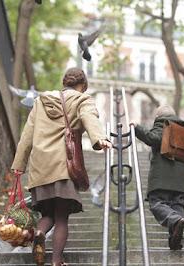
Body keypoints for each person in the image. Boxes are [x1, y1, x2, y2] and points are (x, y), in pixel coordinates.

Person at [11, 67, 112, 266]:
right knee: (62, 217)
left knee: (47, 214)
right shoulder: (82, 99)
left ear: (64, 82)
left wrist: (19, 164)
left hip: (40, 167)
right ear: (82, 85)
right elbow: (89, 117)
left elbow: (27, 135)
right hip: (64, 166)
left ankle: (39, 232)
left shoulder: (40, 101)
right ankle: (56, 261)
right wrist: (100, 139)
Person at [133, 105, 184, 250]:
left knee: (157, 203)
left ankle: (175, 220)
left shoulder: (163, 124)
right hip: (181, 181)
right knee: (177, 205)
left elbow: (153, 138)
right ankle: (176, 240)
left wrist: (136, 128)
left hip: (162, 179)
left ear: (158, 117)